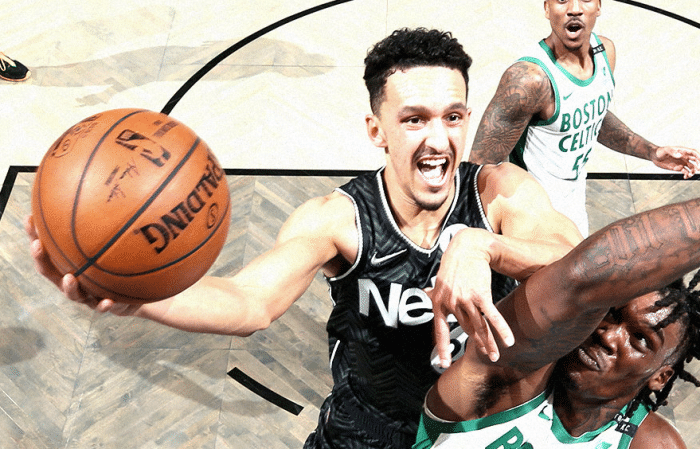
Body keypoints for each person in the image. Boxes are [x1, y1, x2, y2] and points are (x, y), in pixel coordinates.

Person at [27, 28, 581, 448]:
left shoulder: (499, 194)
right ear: (377, 131)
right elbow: (250, 302)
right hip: (368, 431)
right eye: (414, 120)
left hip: (484, 428)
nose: (439, 139)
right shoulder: (339, 219)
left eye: (453, 117)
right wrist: (139, 296)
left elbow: (578, 260)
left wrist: (484, 246)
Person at [414, 196, 700, 448]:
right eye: (610, 312)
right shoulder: (509, 377)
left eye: (639, 339)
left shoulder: (653, 443)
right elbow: (584, 278)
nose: (607, 335)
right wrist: (482, 246)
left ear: (661, 377)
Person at [467, 0, 700, 236]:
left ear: (599, 6)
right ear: (547, 8)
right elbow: (477, 169)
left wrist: (651, 151)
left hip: (575, 209)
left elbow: (593, 115)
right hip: (534, 222)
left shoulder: (604, 52)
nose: (575, 9)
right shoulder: (528, 80)